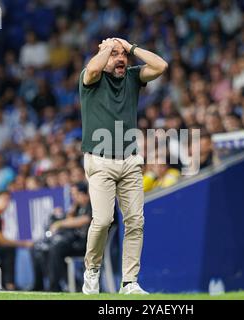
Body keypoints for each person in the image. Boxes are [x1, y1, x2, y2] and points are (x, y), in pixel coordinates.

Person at [79, 37, 167, 294]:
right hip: (100, 160)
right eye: (114, 55)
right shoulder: (91, 78)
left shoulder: (132, 76)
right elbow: (94, 69)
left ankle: (129, 282)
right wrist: (106, 49)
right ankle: (92, 270)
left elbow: (161, 66)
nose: (120, 59)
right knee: (103, 220)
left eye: (122, 55)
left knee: (136, 222)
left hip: (130, 160)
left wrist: (130, 47)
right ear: (104, 56)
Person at [32, 183, 92, 292]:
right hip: (76, 242)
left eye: (75, 194)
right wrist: (73, 207)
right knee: (46, 248)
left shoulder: (91, 204)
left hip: (87, 245)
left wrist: (60, 223)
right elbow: (70, 218)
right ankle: (61, 284)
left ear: (85, 194)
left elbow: (85, 219)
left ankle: (54, 287)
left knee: (56, 248)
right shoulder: (78, 207)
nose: (73, 197)